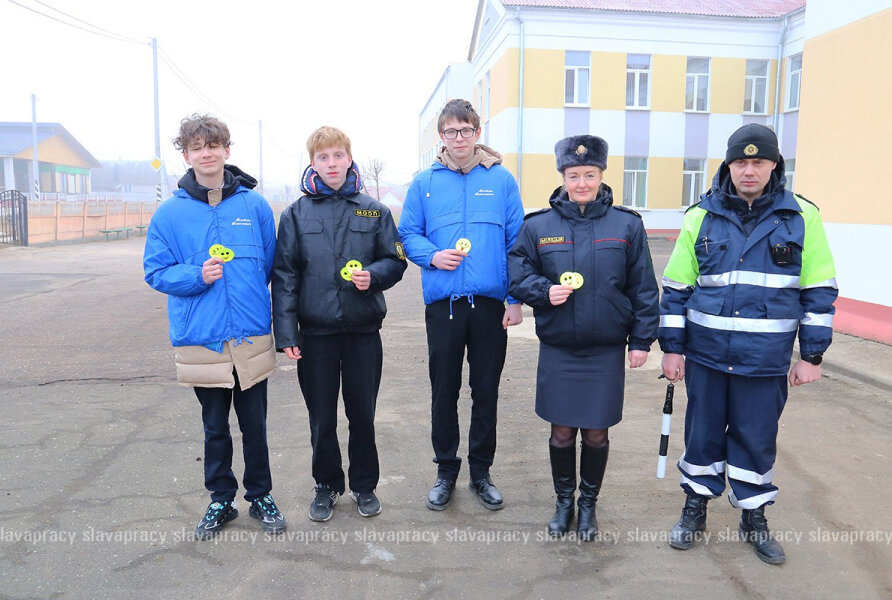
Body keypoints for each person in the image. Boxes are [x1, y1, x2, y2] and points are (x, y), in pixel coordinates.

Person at [659, 123, 838, 565]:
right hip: (707, 354)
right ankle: (696, 505)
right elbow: (677, 288)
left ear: (775, 164)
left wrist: (811, 356)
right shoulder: (700, 215)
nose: (749, 170)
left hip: (766, 360)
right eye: (741, 161)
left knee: (756, 438)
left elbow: (818, 289)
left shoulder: (802, 216)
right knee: (701, 436)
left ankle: (753, 514)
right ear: (729, 165)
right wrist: (672, 347)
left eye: (758, 162)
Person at [508, 135, 659, 540]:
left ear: (601, 175)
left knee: (596, 432)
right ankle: (563, 502)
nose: (581, 183)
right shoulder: (537, 225)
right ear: (562, 176)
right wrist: (544, 291)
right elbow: (518, 274)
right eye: (573, 175)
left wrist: (642, 341)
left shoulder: (626, 224)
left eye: (589, 175)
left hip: (604, 350)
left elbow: (643, 287)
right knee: (560, 432)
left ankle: (588, 506)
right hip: (560, 348)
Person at [143, 114, 285, 540]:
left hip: (250, 333)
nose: (206, 153)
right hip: (203, 337)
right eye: (196, 147)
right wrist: (194, 276)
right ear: (185, 155)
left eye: (213, 145)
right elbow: (155, 272)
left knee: (255, 425)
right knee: (214, 427)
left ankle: (260, 495)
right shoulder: (169, 214)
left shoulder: (255, 206)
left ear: (226, 150)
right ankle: (221, 499)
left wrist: (247, 305)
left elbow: (270, 265)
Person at [272, 126, 406, 522]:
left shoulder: (373, 210)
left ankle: (365, 486)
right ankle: (327, 485)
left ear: (349, 158)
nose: (331, 164)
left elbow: (395, 259)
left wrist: (374, 276)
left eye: (337, 156)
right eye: (322, 158)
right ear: (312, 163)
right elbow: (285, 276)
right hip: (315, 336)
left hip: (363, 332)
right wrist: (287, 333)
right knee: (322, 417)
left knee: (362, 413)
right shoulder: (295, 214)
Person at [398, 99, 525, 512]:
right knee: (444, 392)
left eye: (466, 131)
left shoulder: (502, 180)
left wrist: (515, 298)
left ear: (477, 132)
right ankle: (446, 471)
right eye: (451, 132)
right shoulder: (425, 183)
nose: (459, 139)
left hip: (490, 305)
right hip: (444, 307)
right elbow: (407, 235)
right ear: (441, 136)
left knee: (485, 391)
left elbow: (517, 244)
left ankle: (481, 472)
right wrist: (433, 256)